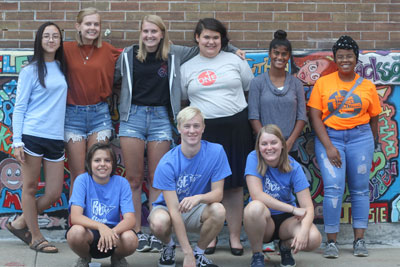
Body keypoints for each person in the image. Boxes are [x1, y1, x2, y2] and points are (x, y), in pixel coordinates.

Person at [114, 14, 243, 252]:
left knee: (156, 178)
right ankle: (136, 231)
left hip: (162, 119)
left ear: (162, 33)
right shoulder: (127, 55)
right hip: (133, 117)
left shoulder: (175, 53)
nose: (150, 36)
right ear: (140, 33)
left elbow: (207, 43)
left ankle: (155, 233)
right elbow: (113, 81)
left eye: (155, 31)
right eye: (146, 32)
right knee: (133, 178)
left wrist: (233, 49)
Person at [180, 18, 254, 256]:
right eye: (206, 37)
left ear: (222, 40)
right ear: (197, 39)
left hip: (236, 127)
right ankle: (209, 238)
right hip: (205, 132)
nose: (211, 42)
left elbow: (247, 87)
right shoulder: (187, 67)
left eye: (215, 37)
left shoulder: (236, 61)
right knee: (207, 185)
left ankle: (234, 238)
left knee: (233, 187)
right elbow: (184, 99)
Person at [308, 35, 381, 258]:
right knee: (332, 188)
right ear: (335, 59)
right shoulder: (323, 83)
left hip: (361, 138)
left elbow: (374, 118)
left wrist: (373, 143)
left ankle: (359, 240)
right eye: (341, 57)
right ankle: (331, 242)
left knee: (360, 189)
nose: (345, 60)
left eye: (349, 56)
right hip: (331, 137)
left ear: (356, 59)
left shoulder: (367, 86)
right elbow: (314, 116)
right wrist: (329, 146)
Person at [7, 22, 68, 253]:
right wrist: (17, 141)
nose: (51, 40)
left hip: (55, 137)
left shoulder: (62, 68)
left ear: (60, 41)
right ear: (39, 41)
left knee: (53, 192)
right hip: (32, 136)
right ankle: (35, 236)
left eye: (55, 36)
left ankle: (21, 222)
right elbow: (19, 107)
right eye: (46, 36)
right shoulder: (30, 70)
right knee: (30, 188)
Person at [148, 107, 230, 267]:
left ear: (203, 128)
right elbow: (173, 210)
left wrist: (198, 197)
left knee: (219, 210)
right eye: (187, 126)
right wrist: (186, 253)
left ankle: (199, 254)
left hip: (197, 208)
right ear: (179, 128)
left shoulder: (216, 152)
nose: (192, 131)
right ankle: (168, 246)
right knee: (158, 222)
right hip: (169, 210)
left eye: (196, 126)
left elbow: (218, 194)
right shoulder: (168, 162)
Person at [244, 124, 322, 267]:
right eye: (264, 144)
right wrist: (292, 209)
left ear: (282, 145)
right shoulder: (253, 158)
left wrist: (304, 231)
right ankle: (257, 255)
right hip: (264, 219)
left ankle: (285, 247)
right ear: (258, 147)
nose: (269, 147)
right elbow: (257, 195)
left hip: (286, 222)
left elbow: (308, 207)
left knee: (314, 238)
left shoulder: (294, 167)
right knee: (254, 207)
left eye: (274, 142)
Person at [63, 7, 120, 196]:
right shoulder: (65, 50)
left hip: (100, 115)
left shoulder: (109, 51)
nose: (92, 28)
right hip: (73, 116)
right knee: (78, 174)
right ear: (78, 26)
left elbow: (137, 60)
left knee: (98, 172)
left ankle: (98, 220)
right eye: (88, 24)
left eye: (96, 24)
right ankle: (76, 223)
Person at [67, 143, 138, 267]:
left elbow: (130, 219)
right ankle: (85, 258)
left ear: (113, 164)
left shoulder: (122, 183)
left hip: (114, 235)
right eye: (97, 160)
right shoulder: (82, 180)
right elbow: (75, 217)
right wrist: (101, 227)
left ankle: (117, 258)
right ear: (89, 163)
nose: (102, 164)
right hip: (89, 233)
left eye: (107, 160)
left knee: (131, 238)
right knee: (75, 233)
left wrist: (111, 232)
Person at [248, 29, 307, 156]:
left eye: (284, 54)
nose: (279, 57)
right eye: (276, 53)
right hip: (265, 148)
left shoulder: (296, 84)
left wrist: (290, 142)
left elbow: (302, 116)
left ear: (289, 56)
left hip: (290, 147)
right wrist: (266, 141)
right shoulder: (257, 83)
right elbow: (253, 116)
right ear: (270, 54)